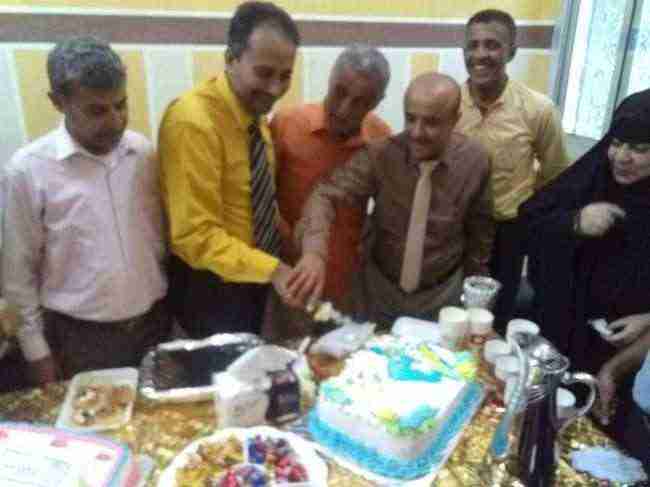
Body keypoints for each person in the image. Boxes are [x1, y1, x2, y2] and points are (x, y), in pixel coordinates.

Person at [2, 36, 171, 385]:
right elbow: (18, 274)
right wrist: (37, 352)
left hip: (154, 326)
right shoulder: (28, 170)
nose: (115, 120)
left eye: (121, 105)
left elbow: (158, 241)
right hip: (79, 339)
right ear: (58, 102)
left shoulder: (142, 154)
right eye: (97, 110)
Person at [290, 72, 494, 328]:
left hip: (442, 298)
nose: (416, 132)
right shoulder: (381, 155)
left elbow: (480, 236)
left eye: (431, 122)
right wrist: (314, 253)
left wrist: (475, 304)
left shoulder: (475, 161)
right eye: (410, 118)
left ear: (455, 120)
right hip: (379, 293)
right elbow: (326, 194)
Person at [158, 1, 302, 338]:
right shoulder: (193, 122)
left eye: (285, 76)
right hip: (209, 289)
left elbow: (255, 202)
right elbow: (195, 236)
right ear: (231, 59)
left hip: (252, 279)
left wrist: (297, 248)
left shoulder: (254, 115)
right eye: (264, 73)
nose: (276, 89)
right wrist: (274, 270)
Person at [520, 88, 650, 445]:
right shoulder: (592, 179)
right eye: (616, 143)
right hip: (560, 332)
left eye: (640, 149)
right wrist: (574, 222)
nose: (621, 157)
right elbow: (528, 222)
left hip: (626, 355)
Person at [266, 45, 391, 338]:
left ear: (377, 101)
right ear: (330, 79)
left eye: (361, 101)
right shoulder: (286, 124)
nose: (345, 109)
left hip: (350, 288)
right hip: (292, 281)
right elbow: (261, 199)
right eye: (339, 92)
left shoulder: (381, 138)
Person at [456, 9, 570, 331]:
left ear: (512, 52)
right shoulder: (448, 103)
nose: (480, 54)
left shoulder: (538, 109)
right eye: (473, 45)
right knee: (452, 312)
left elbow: (556, 175)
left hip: (507, 234)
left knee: (495, 320)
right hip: (455, 229)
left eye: (492, 45)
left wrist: (529, 219)